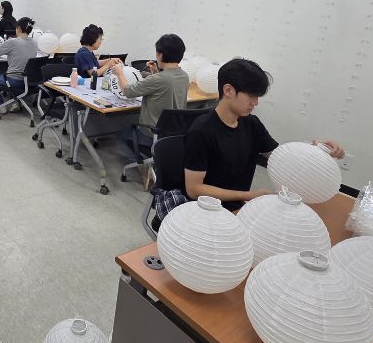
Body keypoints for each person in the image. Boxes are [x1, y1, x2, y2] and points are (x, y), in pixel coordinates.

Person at [183, 58, 344, 210]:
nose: (255, 102)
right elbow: (194, 189)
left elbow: (281, 156)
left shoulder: (251, 124)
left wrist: (316, 151)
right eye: (251, 96)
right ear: (228, 90)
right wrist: (247, 196)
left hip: (238, 207)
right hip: (206, 210)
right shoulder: (201, 132)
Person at [110, 33, 190, 165]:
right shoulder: (184, 76)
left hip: (153, 133)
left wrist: (119, 73)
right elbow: (165, 85)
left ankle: (142, 167)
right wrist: (155, 72)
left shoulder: (157, 79)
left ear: (160, 55)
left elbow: (128, 91)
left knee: (121, 134)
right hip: (175, 133)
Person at [0, 17, 38, 114]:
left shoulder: (13, 42)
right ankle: (15, 102)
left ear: (18, 28)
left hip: (14, 80)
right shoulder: (34, 42)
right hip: (29, 81)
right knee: (10, 70)